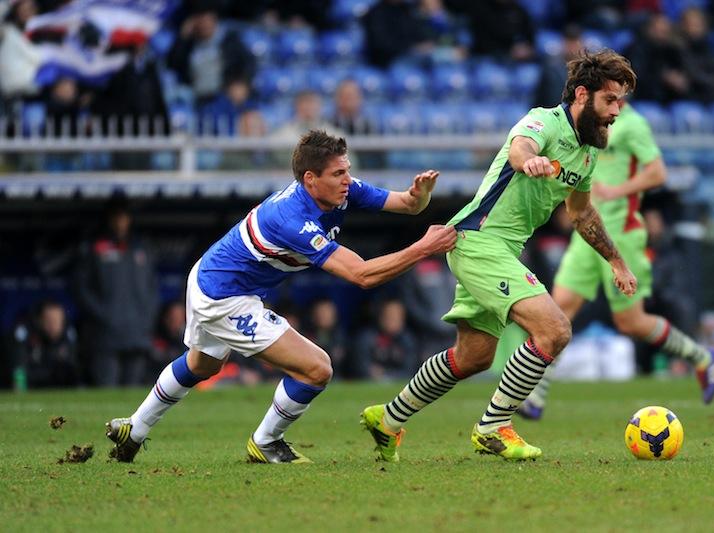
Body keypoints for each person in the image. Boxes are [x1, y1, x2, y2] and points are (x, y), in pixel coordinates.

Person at [105, 130, 456, 464]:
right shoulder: (291, 219)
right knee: (316, 368)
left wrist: (420, 194)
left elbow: (408, 204)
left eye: (347, 170)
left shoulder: (341, 190)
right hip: (224, 295)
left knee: (203, 364)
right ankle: (266, 442)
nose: (347, 179)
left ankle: (134, 429)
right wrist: (423, 248)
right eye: (338, 173)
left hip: (212, 276)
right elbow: (361, 275)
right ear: (309, 179)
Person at [361, 50, 639, 462]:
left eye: (621, 102)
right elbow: (519, 149)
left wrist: (615, 260)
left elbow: (580, 212)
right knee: (555, 330)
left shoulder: (588, 152)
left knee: (473, 357)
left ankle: (387, 419)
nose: (617, 111)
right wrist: (531, 162)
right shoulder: (545, 121)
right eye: (611, 100)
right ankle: (493, 427)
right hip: (479, 241)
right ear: (583, 94)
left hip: (500, 249)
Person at [515, 99, 714, 420]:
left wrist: (618, 190)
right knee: (557, 310)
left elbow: (657, 173)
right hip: (588, 232)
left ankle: (700, 356)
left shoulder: (633, 125)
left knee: (632, 322)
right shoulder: (589, 126)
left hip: (622, 235)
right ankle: (536, 396)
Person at [73, 196, 159, 387]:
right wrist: (104, 316)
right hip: (105, 335)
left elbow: (152, 289)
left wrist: (146, 318)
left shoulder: (141, 248)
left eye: (124, 217)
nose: (120, 222)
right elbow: (80, 288)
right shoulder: (94, 247)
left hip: (137, 333)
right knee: (106, 391)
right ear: (108, 219)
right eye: (116, 217)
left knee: (134, 396)